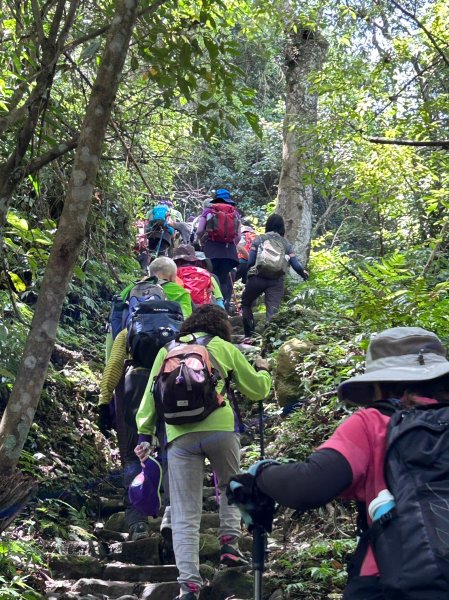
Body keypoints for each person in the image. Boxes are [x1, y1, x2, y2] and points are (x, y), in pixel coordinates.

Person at [228, 327, 449, 599]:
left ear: (377, 384)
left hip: (390, 578)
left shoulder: (373, 422)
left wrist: (261, 475)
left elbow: (308, 485)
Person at [135, 304, 272, 600]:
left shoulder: (166, 349)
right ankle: (229, 546)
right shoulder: (222, 346)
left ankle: (189, 585)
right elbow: (257, 390)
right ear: (220, 324)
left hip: (178, 436)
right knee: (230, 487)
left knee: (185, 510)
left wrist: (144, 433)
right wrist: (264, 371)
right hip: (221, 429)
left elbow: (150, 396)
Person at [98, 257, 192, 541]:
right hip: (168, 385)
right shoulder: (177, 328)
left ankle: (137, 521)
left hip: (132, 385)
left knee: (130, 452)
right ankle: (171, 516)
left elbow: (114, 364)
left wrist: (104, 403)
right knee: (168, 450)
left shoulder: (129, 330)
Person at [241, 213, 308, 338]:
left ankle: (249, 335)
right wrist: (303, 274)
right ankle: (268, 339)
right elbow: (296, 265)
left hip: (257, 277)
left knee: (246, 303)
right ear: (282, 227)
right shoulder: (286, 244)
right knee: (272, 311)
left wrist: (247, 277)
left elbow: (250, 262)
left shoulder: (259, 239)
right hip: (276, 281)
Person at [196, 189, 241, 311]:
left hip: (211, 250)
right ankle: (224, 308)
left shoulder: (209, 211)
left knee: (211, 278)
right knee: (223, 279)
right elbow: (238, 236)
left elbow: (199, 231)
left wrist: (201, 240)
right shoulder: (235, 213)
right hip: (229, 252)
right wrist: (229, 243)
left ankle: (211, 308)